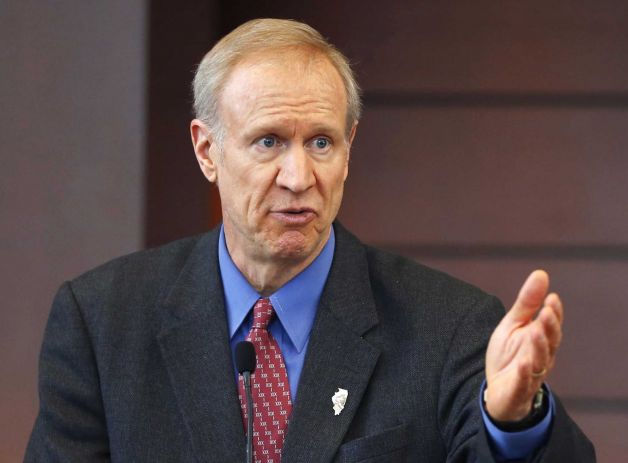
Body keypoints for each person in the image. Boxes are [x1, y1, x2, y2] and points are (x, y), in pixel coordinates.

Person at [26, 18, 594, 462]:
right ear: (207, 151)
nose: (299, 178)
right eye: (269, 141)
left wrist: (512, 422)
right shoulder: (101, 321)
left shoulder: (449, 326)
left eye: (321, 143)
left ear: (349, 147)